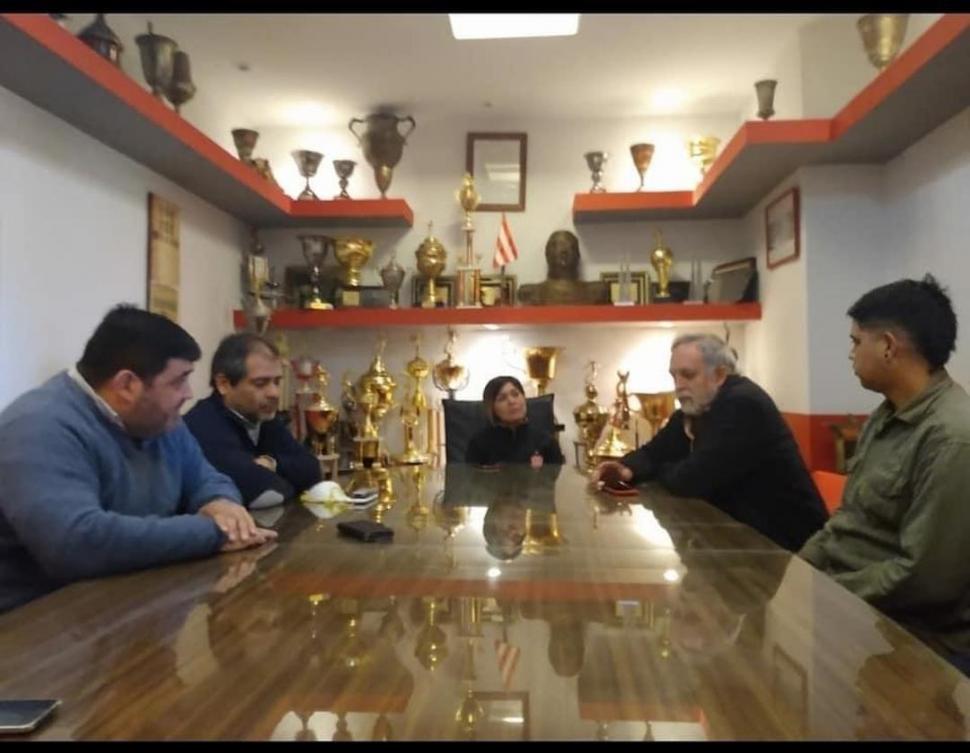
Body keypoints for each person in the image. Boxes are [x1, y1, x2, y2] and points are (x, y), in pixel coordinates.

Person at [0, 305, 275, 613]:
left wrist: (221, 502)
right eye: (178, 381)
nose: (188, 394)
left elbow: (207, 478)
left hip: (126, 608)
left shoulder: (160, 420)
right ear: (127, 385)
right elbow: (77, 543)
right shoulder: (39, 426)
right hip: (31, 631)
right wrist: (214, 532)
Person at [799, 274, 970, 669]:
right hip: (860, 614)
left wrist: (821, 592)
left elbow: (928, 578)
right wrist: (796, 570)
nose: (851, 354)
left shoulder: (952, 437)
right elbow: (847, 520)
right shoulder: (887, 414)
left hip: (921, 644)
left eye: (857, 342)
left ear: (889, 347)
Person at [592, 333, 827, 552]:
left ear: (720, 375)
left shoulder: (743, 404)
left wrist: (661, 470)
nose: (678, 384)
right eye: (674, 375)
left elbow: (690, 481)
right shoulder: (697, 405)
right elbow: (655, 452)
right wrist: (624, 468)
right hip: (741, 538)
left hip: (790, 547)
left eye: (688, 375)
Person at [184, 333, 321, 509]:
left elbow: (312, 471)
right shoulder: (203, 426)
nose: (274, 393)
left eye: (277, 382)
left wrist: (271, 464)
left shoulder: (262, 417)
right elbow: (266, 492)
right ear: (223, 384)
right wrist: (287, 477)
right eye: (260, 383)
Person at [465, 375, 565, 466]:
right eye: (502, 398)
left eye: (515, 394)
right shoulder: (479, 443)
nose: (512, 401)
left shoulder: (546, 441)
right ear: (492, 408)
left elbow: (555, 480)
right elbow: (471, 481)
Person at [517, 230, 610, 305]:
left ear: (578, 255)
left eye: (570, 247)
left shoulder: (596, 291)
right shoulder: (531, 292)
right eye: (556, 246)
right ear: (547, 254)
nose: (563, 251)